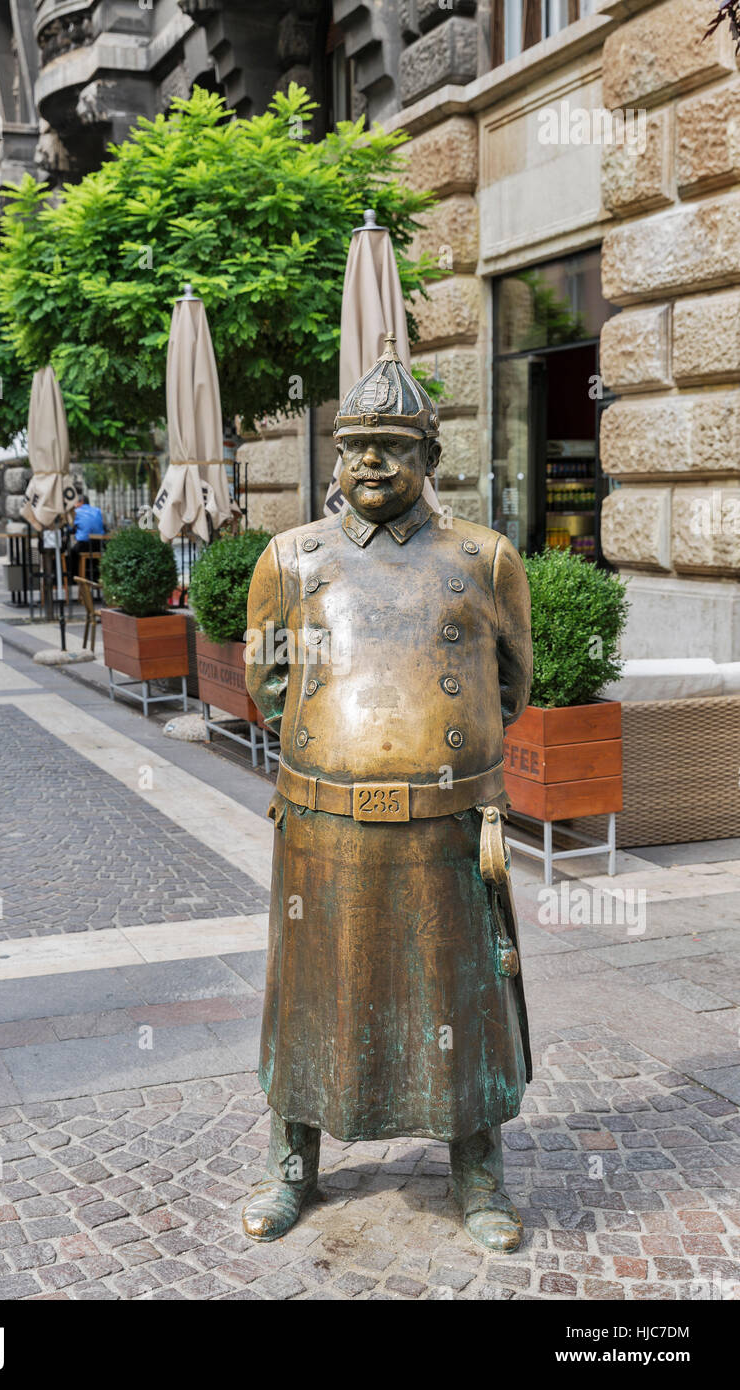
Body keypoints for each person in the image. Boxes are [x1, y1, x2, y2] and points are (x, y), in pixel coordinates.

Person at [241, 336, 534, 1253]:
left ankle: (478, 1173)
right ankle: (294, 1164)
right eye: (355, 444)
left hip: (446, 826)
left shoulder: (484, 560)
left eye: (392, 445)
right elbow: (268, 686)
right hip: (323, 824)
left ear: (428, 459)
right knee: (310, 999)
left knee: (461, 1001)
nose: (370, 460)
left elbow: (512, 685)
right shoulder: (291, 559)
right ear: (335, 457)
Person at [69, 493, 105, 581]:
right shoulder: (97, 510)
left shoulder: (76, 512)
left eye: (75, 503)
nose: (74, 505)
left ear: (81, 502)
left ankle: (76, 577)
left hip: (84, 545)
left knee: (72, 553)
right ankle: (95, 576)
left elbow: (70, 528)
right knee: (93, 554)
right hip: (99, 544)